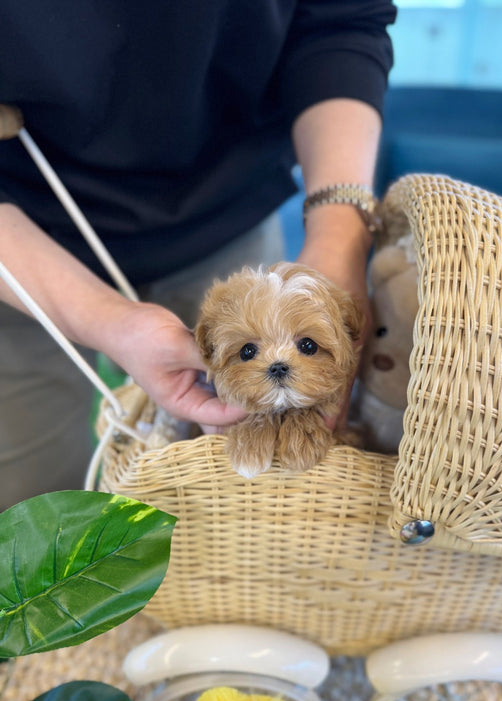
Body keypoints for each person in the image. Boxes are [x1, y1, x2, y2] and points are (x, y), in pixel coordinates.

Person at [0, 1, 397, 509]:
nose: (276, 364)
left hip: (228, 212)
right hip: (19, 240)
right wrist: (106, 320)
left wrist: (341, 234)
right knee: (28, 504)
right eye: (252, 354)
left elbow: (341, 20)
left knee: (238, 511)